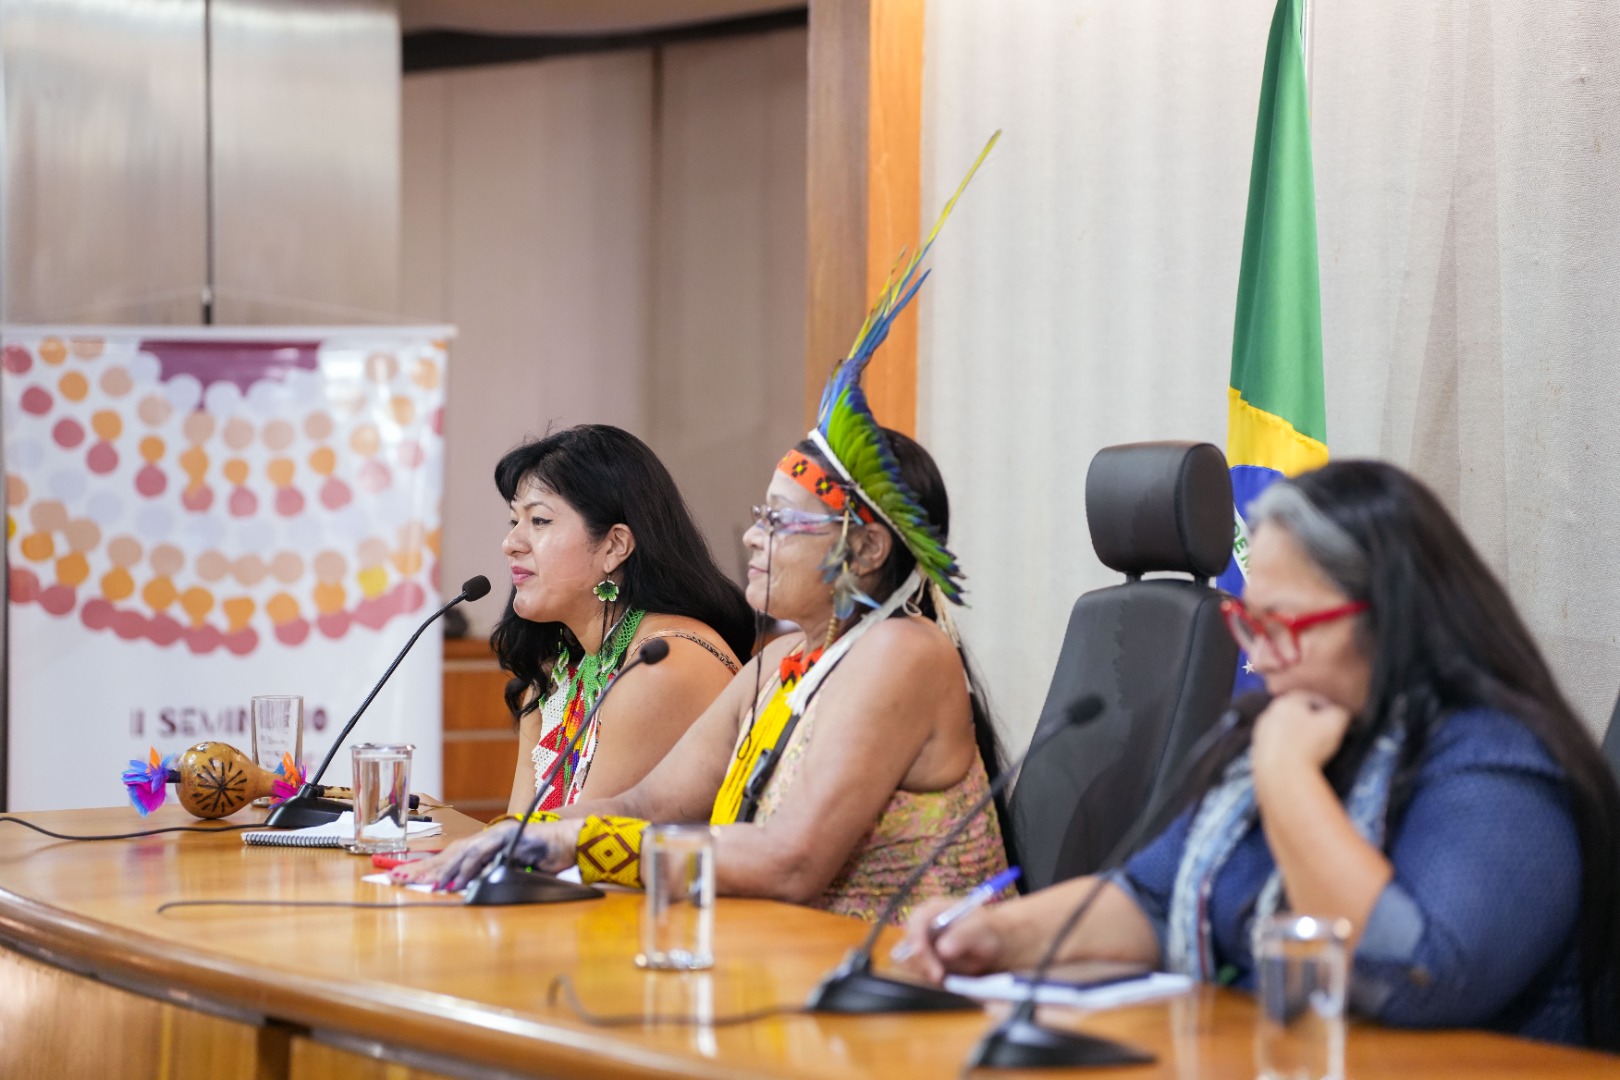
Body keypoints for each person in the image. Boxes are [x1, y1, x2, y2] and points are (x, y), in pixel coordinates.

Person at [397, 153, 1010, 921]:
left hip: (897, 991)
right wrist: (534, 835)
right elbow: (658, 798)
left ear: (868, 549)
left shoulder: (904, 652)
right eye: (760, 517)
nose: (755, 539)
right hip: (786, 971)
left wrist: (574, 846)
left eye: (783, 523)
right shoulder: (785, 660)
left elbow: (794, 858)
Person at [899, 461, 1620, 1050]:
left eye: (1283, 626)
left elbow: (1411, 978)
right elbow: (1152, 900)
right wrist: (994, 932)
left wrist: (1288, 780)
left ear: (1391, 619)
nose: (1260, 660)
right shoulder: (1285, 734)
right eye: (1250, 623)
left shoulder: (1497, 767)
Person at [490, 426, 753, 816]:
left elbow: (578, 848)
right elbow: (517, 835)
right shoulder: (558, 671)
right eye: (514, 521)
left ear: (614, 546)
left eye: (539, 521)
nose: (510, 543)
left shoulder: (663, 664)